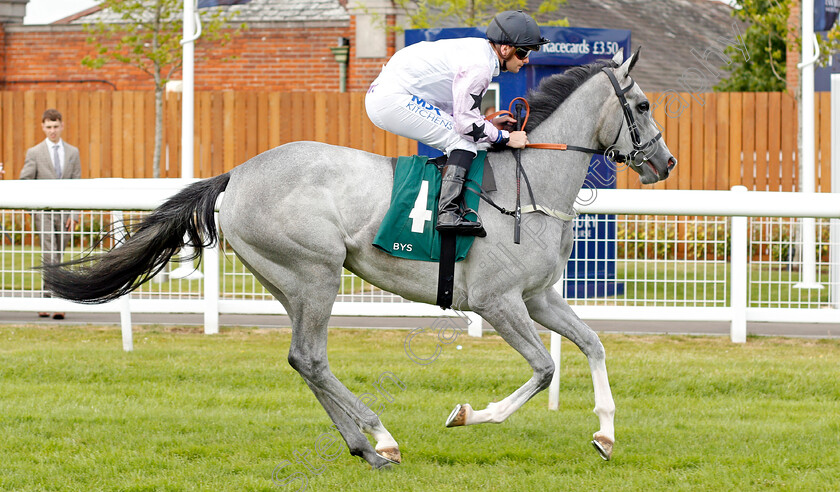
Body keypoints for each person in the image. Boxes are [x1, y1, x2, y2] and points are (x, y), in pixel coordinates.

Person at [365, 10, 548, 236]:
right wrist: (507, 138)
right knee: (462, 142)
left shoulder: (479, 52)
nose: (527, 59)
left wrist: (489, 123)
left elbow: (460, 112)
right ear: (505, 48)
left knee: (467, 139)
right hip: (392, 98)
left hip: (392, 94)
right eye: (523, 53)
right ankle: (448, 213)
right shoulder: (480, 66)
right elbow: (465, 126)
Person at [20, 109, 81, 320]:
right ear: (43, 127)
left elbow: (76, 185)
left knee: (60, 255)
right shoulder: (34, 153)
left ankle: (51, 297)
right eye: (48, 127)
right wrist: (33, 211)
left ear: (62, 126)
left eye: (55, 127)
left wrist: (74, 215)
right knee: (50, 255)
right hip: (43, 211)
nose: (52, 131)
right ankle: (52, 300)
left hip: (64, 212)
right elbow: (25, 181)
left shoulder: (73, 152)